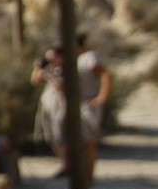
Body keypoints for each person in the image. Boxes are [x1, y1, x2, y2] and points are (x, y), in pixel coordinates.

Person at [32, 34, 113, 181]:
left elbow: (105, 74)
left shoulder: (88, 58)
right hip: (75, 104)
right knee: (70, 139)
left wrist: (102, 97)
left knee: (88, 142)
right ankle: (76, 172)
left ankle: (88, 178)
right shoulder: (72, 61)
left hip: (87, 102)